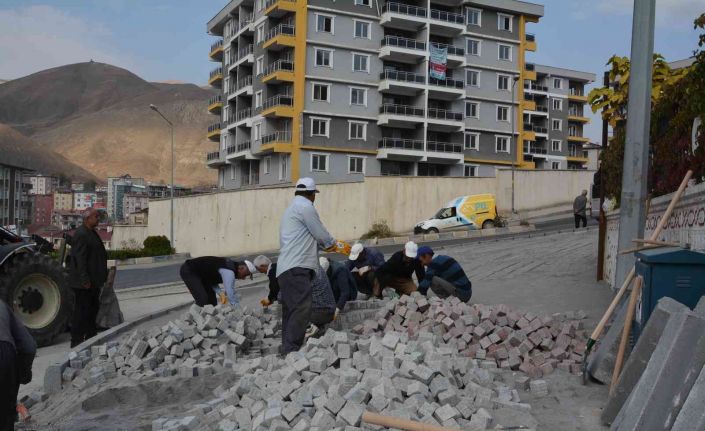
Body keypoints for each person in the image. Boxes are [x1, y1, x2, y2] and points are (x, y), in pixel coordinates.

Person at [277, 177, 346, 354]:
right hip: (298, 267)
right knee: (302, 309)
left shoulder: (290, 210)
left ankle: (286, 348)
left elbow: (306, 238)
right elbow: (322, 236)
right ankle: (292, 350)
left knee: (290, 310)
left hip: (285, 268)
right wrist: (335, 245)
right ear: (312, 194)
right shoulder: (306, 207)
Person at [68, 207, 108, 347]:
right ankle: (77, 341)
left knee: (92, 309)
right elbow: (80, 259)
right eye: (96, 217)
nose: (98, 219)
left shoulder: (91, 233)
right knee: (81, 311)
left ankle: (91, 337)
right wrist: (85, 280)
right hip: (83, 284)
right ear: (87, 218)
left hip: (93, 282)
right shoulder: (81, 234)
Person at [179, 256, 255, 307]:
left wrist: (220, 293)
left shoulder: (229, 267)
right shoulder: (230, 271)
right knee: (203, 299)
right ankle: (196, 322)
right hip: (190, 270)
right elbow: (229, 291)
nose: (244, 278)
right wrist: (237, 308)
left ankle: (211, 324)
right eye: (245, 275)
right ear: (241, 268)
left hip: (203, 276)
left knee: (212, 301)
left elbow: (211, 278)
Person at [305, 263, 337, 339]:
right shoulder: (317, 266)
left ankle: (311, 328)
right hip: (331, 310)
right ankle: (319, 327)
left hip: (320, 314)